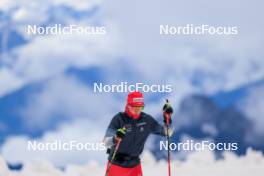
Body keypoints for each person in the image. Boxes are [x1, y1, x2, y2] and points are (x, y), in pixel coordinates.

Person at [103, 91, 173, 176]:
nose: (137, 110)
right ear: (128, 105)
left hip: (134, 165)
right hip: (116, 164)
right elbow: (105, 142)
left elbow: (167, 132)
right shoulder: (119, 119)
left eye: (140, 107)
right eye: (134, 107)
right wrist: (115, 138)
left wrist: (167, 118)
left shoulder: (146, 120)